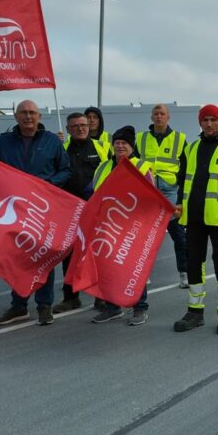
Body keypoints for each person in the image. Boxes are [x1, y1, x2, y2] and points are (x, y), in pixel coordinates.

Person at [0, 100, 71, 326]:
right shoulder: (4, 142)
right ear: (16, 117)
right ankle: (19, 306)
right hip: (14, 210)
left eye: (33, 113)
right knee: (18, 258)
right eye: (24, 113)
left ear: (39, 117)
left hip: (42, 209)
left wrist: (47, 184)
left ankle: (44, 306)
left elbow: (65, 170)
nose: (28, 116)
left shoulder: (52, 142)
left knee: (44, 256)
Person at [172, 105, 218, 335]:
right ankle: (195, 311)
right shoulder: (191, 148)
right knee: (194, 264)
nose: (209, 124)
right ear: (200, 123)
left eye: (214, 119)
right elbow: (183, 181)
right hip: (193, 219)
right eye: (205, 120)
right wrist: (178, 204)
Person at [87, 127, 156, 325]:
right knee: (107, 268)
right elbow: (94, 195)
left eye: (124, 143)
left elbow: (152, 198)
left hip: (133, 228)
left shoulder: (142, 167)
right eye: (116, 142)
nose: (119, 145)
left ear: (131, 147)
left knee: (134, 268)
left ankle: (140, 307)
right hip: (108, 226)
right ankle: (112, 307)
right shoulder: (102, 167)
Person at [52, 112, 106, 313]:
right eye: (74, 126)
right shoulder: (62, 149)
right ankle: (71, 297)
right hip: (70, 211)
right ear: (67, 129)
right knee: (70, 254)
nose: (80, 128)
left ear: (89, 127)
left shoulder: (102, 148)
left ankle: (101, 296)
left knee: (97, 253)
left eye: (83, 125)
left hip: (95, 209)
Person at [136, 104, 189, 288]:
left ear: (169, 117)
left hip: (170, 193)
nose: (159, 117)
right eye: (156, 114)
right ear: (151, 117)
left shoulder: (180, 139)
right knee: (144, 237)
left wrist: (182, 200)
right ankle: (141, 275)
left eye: (162, 114)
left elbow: (185, 171)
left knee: (178, 235)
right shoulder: (140, 138)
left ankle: (184, 273)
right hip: (148, 194)